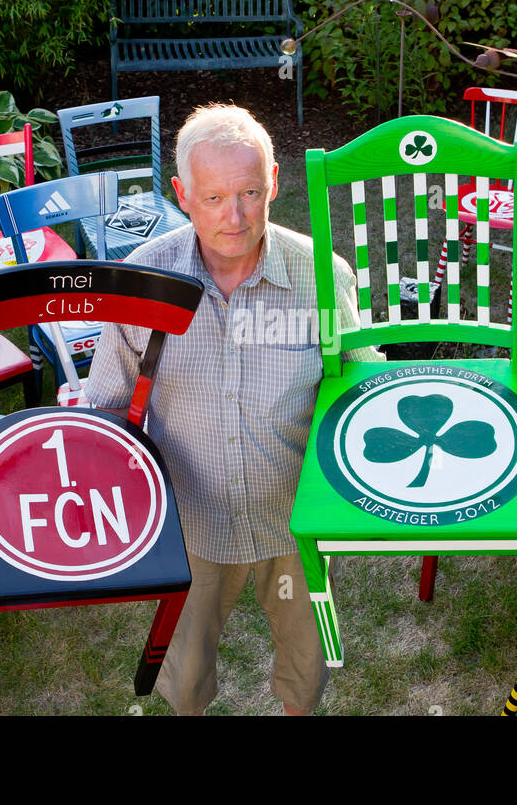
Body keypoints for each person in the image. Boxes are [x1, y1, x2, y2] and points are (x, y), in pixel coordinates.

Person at [83, 104, 379, 715]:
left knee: (306, 664)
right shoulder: (141, 283)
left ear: (274, 180)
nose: (235, 216)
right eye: (214, 197)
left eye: (249, 192)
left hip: (296, 518)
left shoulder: (324, 277)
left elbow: (361, 393)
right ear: (181, 194)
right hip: (190, 521)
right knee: (185, 675)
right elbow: (107, 410)